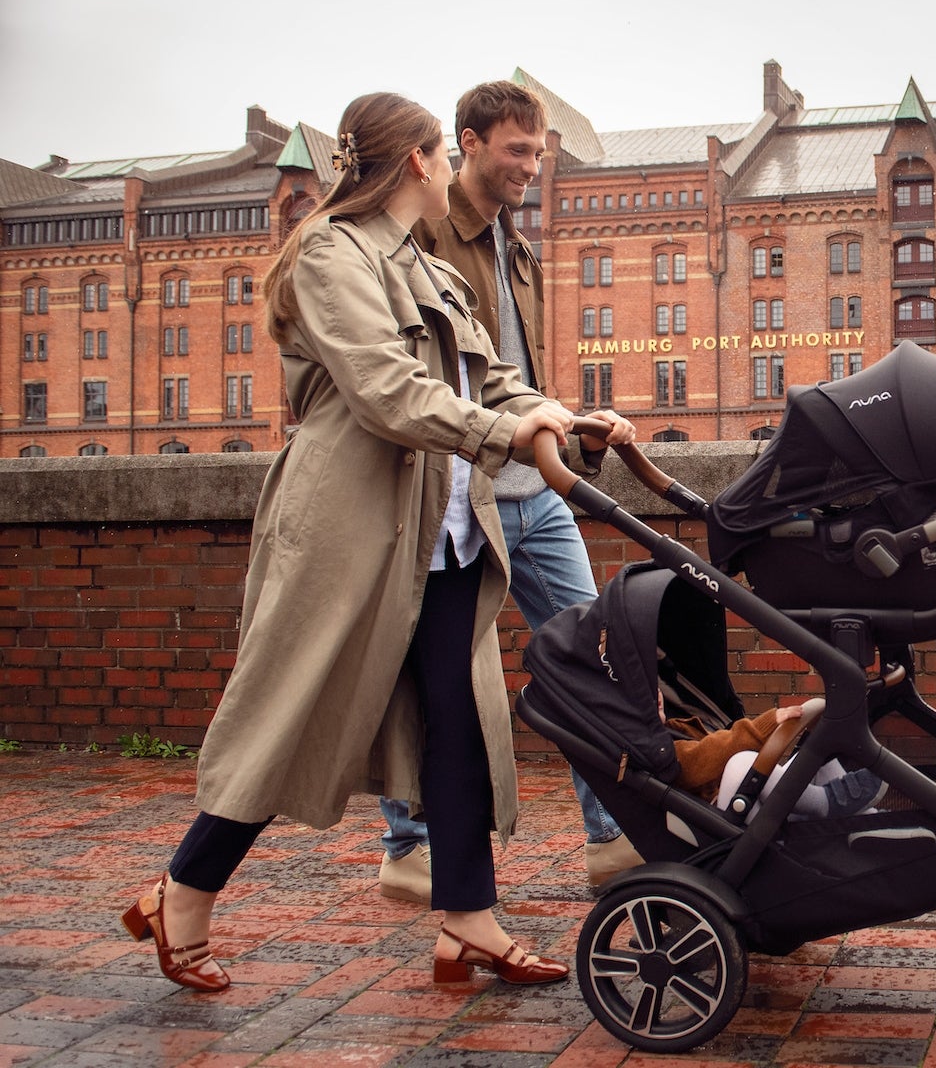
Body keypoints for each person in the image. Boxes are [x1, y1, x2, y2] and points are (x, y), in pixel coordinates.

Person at [120, 92, 575, 992]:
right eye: (443, 151)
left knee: (462, 720)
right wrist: (505, 435)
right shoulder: (332, 253)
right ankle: (183, 893)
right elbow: (385, 389)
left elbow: (489, 378)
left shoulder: (423, 263)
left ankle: (467, 922)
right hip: (350, 525)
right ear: (412, 161)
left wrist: (556, 414)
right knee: (287, 710)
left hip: (443, 531)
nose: (451, 165)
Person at [373, 79, 640, 905]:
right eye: (516, 150)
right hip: (462, 492)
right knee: (436, 666)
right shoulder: (419, 239)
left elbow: (506, 375)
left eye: (539, 151)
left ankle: (612, 836)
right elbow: (419, 380)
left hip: (535, 489)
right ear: (468, 143)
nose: (531, 165)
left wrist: (565, 420)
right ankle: (408, 846)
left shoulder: (515, 247)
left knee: (593, 654)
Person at [667, 697, 886, 821]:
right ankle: (824, 802)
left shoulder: (676, 727)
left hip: (753, 809)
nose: (655, 695)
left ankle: (867, 822)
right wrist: (765, 724)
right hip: (725, 825)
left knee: (815, 753)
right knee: (741, 763)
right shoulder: (658, 749)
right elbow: (699, 760)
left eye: (654, 690)